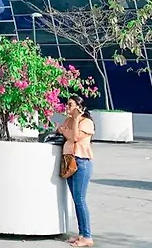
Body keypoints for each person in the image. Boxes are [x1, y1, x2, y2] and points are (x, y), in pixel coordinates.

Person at [57, 95, 95, 247]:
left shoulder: (86, 122)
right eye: (67, 104)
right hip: (69, 161)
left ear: (79, 107)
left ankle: (87, 236)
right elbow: (60, 130)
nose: (67, 107)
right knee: (76, 199)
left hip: (81, 162)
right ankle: (81, 234)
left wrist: (76, 120)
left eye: (71, 104)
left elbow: (74, 137)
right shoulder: (69, 120)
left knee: (80, 199)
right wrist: (66, 129)